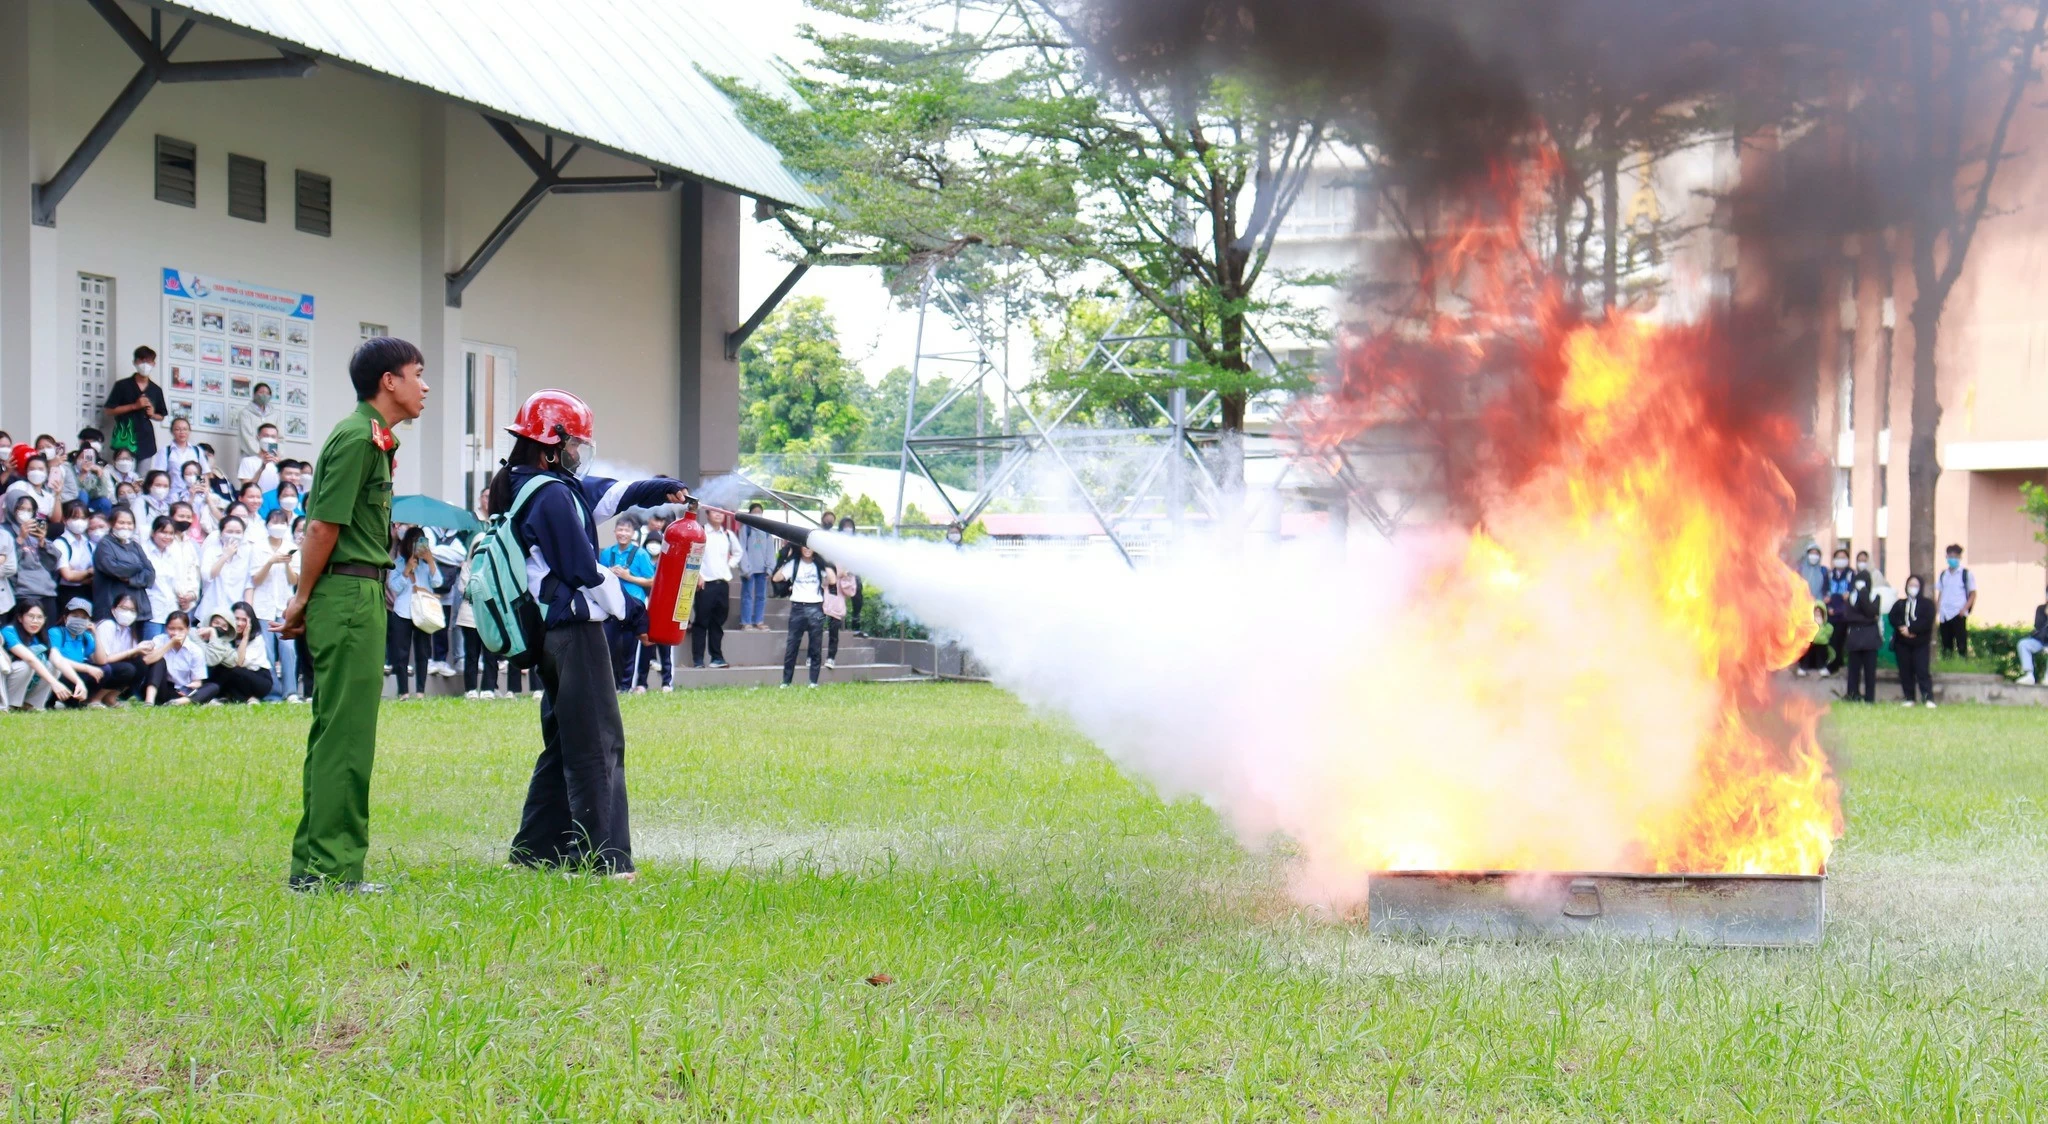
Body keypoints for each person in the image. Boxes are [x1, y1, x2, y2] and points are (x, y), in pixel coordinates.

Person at [491, 389, 686, 880]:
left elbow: (605, 496)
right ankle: (608, 861)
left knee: (565, 743)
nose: (581, 454)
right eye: (575, 444)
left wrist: (655, 489)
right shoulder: (552, 494)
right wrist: (632, 610)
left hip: (553, 636)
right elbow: (582, 569)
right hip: (574, 631)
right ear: (551, 446)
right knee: (599, 743)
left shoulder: (532, 484)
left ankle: (535, 851)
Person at [278, 336, 431, 894]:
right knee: (346, 736)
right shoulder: (358, 439)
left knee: (337, 732)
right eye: (417, 373)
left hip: (356, 592)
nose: (425, 385)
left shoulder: (374, 440)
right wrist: (301, 598)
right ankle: (330, 870)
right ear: (388, 381)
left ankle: (318, 864)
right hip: (346, 595)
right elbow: (322, 525)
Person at [599, 515, 657, 690]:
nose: (623, 533)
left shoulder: (640, 554)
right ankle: (611, 687)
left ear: (633, 533)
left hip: (634, 607)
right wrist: (609, 572)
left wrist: (627, 577)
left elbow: (652, 581)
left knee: (630, 648)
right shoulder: (607, 553)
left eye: (627, 530)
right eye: (620, 530)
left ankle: (626, 686)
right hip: (611, 606)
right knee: (609, 647)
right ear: (615, 531)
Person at [250, 509, 297, 700]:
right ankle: (272, 692)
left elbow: (294, 581)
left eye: (282, 522)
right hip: (263, 607)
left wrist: (286, 563)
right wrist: (270, 562)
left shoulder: (292, 547)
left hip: (284, 607)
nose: (277, 526)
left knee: (289, 649)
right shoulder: (258, 547)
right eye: (274, 521)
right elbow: (256, 579)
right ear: (267, 524)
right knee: (267, 652)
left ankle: (290, 691)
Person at [387, 526, 438, 700]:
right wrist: (406, 570)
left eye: (421, 541)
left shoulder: (426, 564)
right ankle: (403, 692)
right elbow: (394, 587)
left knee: (423, 652)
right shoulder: (399, 562)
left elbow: (438, 583)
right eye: (415, 541)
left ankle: (420, 692)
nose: (418, 545)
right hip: (403, 612)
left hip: (423, 612)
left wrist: (430, 561)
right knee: (401, 653)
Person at [776, 543, 837, 688]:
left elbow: (833, 580)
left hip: (816, 608)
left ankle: (813, 682)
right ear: (800, 548)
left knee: (816, 646)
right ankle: (786, 682)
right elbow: (777, 577)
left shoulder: (819, 565)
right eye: (804, 546)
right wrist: (786, 559)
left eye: (810, 546)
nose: (807, 549)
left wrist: (825, 560)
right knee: (792, 646)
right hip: (797, 607)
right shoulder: (794, 564)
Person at [691, 506, 742, 670]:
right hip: (705, 583)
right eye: (715, 511)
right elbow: (692, 555)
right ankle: (698, 659)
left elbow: (738, 552)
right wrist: (698, 575)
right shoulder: (701, 532)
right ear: (707, 514)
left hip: (722, 583)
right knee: (701, 622)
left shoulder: (727, 534)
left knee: (718, 622)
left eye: (721, 512)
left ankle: (717, 657)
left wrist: (729, 565)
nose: (719, 514)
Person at [3, 602, 80, 710]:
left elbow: (58, 660)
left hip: (26, 679)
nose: (35, 621)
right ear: (20, 618)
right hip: (6, 679)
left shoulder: (41, 636)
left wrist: (78, 682)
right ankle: (11, 705)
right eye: (31, 616)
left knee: (53, 666)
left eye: (39, 617)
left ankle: (30, 705)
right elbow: (30, 659)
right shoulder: (9, 631)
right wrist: (54, 682)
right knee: (25, 666)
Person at [50, 597, 124, 707]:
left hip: (77, 674)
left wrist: (95, 634)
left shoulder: (85, 637)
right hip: (61, 673)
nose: (79, 620)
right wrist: (87, 668)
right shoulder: (56, 633)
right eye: (75, 616)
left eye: (84, 617)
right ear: (65, 618)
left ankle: (79, 700)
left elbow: (101, 661)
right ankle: (57, 700)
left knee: (105, 670)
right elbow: (56, 660)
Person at [104, 346, 168, 464]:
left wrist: (153, 414)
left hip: (146, 439)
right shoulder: (122, 385)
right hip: (125, 436)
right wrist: (134, 406)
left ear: (153, 364)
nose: (145, 364)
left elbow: (162, 415)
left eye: (148, 361)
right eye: (141, 360)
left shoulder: (156, 390)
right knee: (123, 472)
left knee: (142, 479)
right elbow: (109, 410)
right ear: (134, 362)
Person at [203, 602, 274, 703]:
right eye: (236, 619)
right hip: (232, 677)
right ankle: (233, 697)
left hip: (257, 677)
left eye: (244, 620)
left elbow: (239, 663)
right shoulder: (226, 636)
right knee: (218, 669)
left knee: (233, 669)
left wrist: (245, 637)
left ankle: (247, 698)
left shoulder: (257, 639)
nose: (239, 623)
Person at [91, 507, 154, 621]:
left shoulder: (136, 546)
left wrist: (131, 580)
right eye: (121, 522)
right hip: (111, 607)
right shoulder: (105, 545)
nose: (126, 526)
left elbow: (150, 574)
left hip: (136, 608)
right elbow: (114, 568)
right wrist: (138, 567)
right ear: (111, 523)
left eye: (129, 523)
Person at [143, 514, 200, 641]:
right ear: (153, 533)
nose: (167, 537)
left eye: (171, 533)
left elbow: (177, 580)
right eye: (163, 532)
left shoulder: (172, 554)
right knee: (152, 649)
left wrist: (186, 597)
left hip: (170, 610)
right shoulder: (144, 552)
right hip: (152, 610)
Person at [92, 593, 155, 707]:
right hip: (99, 667)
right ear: (113, 610)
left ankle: (111, 697)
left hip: (115, 666)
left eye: (132, 610)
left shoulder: (129, 631)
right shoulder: (107, 625)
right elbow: (104, 659)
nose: (127, 613)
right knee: (127, 669)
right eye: (124, 608)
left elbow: (134, 655)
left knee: (141, 664)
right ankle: (95, 699)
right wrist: (134, 650)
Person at [1888, 575, 1936, 707]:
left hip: (1920, 643)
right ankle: (1909, 697)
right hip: (1902, 643)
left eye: (1915, 585)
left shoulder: (1927, 604)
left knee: (1922, 670)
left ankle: (1928, 698)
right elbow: (1893, 617)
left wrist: (1912, 630)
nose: (1912, 588)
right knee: (1905, 670)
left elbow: (1927, 621)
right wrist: (1902, 628)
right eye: (1910, 585)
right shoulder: (1900, 603)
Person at [144, 611, 210, 705]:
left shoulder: (195, 650)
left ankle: (178, 702)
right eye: (172, 629)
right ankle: (149, 702)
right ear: (166, 628)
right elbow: (147, 660)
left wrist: (190, 686)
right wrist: (171, 643)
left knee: (212, 687)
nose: (176, 633)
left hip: (181, 692)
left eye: (180, 629)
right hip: (160, 688)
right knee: (158, 660)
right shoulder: (159, 640)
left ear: (187, 629)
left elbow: (197, 681)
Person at [199, 515, 255, 625]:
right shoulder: (211, 551)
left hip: (237, 612)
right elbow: (208, 576)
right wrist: (225, 556)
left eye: (238, 532)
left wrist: (248, 613)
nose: (234, 535)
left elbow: (249, 584)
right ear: (221, 533)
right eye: (229, 531)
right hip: (212, 609)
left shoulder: (248, 553)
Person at [8, 498, 58, 618]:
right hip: (23, 593)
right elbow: (8, 563)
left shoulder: (35, 533)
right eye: (22, 509)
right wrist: (20, 539)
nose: (26, 512)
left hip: (47, 591)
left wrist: (42, 542)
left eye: (30, 510)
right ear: (12, 509)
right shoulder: (4, 531)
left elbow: (52, 564)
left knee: (47, 634)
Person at [1840, 570, 1882, 703]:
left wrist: (1863, 594)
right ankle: (1853, 695)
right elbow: (1849, 617)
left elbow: (1872, 610)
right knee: (1853, 671)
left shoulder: (1875, 596)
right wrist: (1870, 620)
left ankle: (1870, 698)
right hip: (1855, 639)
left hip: (1870, 640)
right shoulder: (1850, 597)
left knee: (1870, 672)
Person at [51, 500, 96, 610]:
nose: (79, 522)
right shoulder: (60, 543)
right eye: (75, 518)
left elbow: (96, 575)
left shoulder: (89, 544)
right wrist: (88, 572)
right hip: (66, 593)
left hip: (87, 592)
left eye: (83, 518)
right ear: (65, 520)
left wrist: (79, 575)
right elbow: (68, 576)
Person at [737, 501, 775, 631]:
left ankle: (759, 621)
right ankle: (746, 622)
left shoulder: (767, 531)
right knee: (747, 595)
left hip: (762, 570)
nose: (758, 515)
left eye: (760, 513)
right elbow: (741, 549)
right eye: (755, 512)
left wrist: (770, 568)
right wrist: (745, 568)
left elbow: (771, 550)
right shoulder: (745, 529)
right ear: (750, 514)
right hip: (749, 570)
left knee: (761, 596)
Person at [1935, 544, 1975, 658]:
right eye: (1951, 556)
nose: (1953, 559)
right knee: (1946, 645)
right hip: (1944, 613)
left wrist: (1964, 609)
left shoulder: (1965, 574)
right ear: (1946, 556)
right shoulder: (1943, 575)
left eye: (1956, 556)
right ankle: (1947, 664)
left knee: (1961, 644)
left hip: (1958, 613)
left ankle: (1963, 665)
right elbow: (1941, 592)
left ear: (1960, 557)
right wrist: (1938, 608)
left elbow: (1973, 594)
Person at [1821, 548, 1853, 677]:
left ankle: (1834, 665)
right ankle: (1835, 663)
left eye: (1843, 557)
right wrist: (1828, 607)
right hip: (1830, 613)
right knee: (1830, 640)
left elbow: (1850, 595)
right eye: (1838, 557)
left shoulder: (1851, 574)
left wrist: (1840, 609)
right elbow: (1825, 592)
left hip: (1844, 615)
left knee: (1838, 640)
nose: (1840, 560)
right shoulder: (1829, 574)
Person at [5, 451, 59, 520]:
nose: (36, 472)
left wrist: (58, 494)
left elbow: (56, 520)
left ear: (47, 472)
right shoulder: (19, 486)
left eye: (40, 469)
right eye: (32, 469)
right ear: (27, 471)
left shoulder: (49, 497)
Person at [153, 416, 205, 482]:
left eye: (185, 429)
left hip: (194, 490)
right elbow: (159, 475)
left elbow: (205, 474)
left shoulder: (197, 451)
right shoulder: (165, 451)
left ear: (189, 431)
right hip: (173, 491)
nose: (182, 432)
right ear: (172, 431)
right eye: (177, 429)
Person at [237, 381, 278, 464]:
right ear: (255, 394)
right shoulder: (245, 413)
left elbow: (280, 438)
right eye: (261, 392)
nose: (264, 395)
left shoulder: (275, 415)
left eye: (267, 393)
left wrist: (275, 454)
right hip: (250, 456)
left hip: (271, 457)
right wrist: (260, 453)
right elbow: (247, 437)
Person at [237, 421, 283, 491]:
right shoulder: (247, 461)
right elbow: (245, 489)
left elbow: (288, 486)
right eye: (266, 436)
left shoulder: (281, 463)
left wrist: (280, 466)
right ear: (258, 438)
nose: (269, 439)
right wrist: (262, 467)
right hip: (256, 499)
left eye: (273, 437)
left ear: (277, 440)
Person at [2018, 585, 2048, 687]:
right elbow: (2038, 626)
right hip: (2040, 641)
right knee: (2023, 644)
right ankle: (2029, 675)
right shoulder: (2040, 609)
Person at [1795, 603, 1832, 676]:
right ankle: (1803, 668)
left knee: (1821, 651)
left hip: (1821, 645)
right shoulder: (1808, 623)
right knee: (1805, 649)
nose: (1817, 613)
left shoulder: (1827, 626)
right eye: (1816, 611)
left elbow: (1825, 637)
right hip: (1810, 644)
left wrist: (1820, 626)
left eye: (1819, 611)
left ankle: (1821, 667)